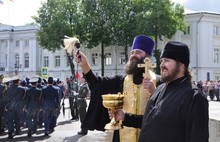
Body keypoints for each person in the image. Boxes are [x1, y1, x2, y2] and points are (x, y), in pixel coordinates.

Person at [110, 41, 209, 142]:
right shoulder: (160, 89)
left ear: (181, 65)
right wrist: (125, 117)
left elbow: (198, 137)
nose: (161, 65)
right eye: (161, 61)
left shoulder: (194, 97)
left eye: (166, 60)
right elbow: (150, 121)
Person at [75, 35, 161, 142]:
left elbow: (165, 112)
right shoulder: (122, 81)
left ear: (147, 56)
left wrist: (154, 91)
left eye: (138, 52)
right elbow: (97, 83)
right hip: (122, 136)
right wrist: (85, 65)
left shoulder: (159, 81)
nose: (133, 55)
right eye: (132, 52)